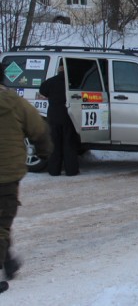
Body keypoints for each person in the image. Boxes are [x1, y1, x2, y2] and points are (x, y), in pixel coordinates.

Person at [0, 64, 53, 293]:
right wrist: (45, 154)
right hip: (7, 175)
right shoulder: (14, 102)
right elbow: (39, 129)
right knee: (2, 222)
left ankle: (8, 260)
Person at [39, 62, 80, 176]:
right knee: (69, 144)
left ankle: (53, 170)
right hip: (69, 116)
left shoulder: (50, 82)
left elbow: (42, 90)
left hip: (54, 117)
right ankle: (71, 170)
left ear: (59, 70)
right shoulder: (73, 82)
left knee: (55, 145)